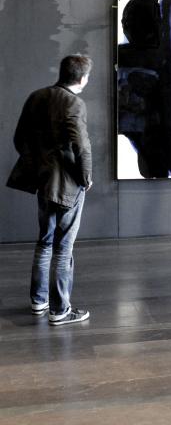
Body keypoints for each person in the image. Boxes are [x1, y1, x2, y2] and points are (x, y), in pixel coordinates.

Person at [7, 54, 93, 326]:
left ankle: (39, 301)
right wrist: (86, 177)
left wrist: (41, 163)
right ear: (81, 78)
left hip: (43, 181)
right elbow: (82, 147)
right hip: (67, 183)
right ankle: (60, 310)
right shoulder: (74, 103)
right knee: (63, 247)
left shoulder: (37, 96)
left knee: (44, 242)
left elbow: (19, 139)